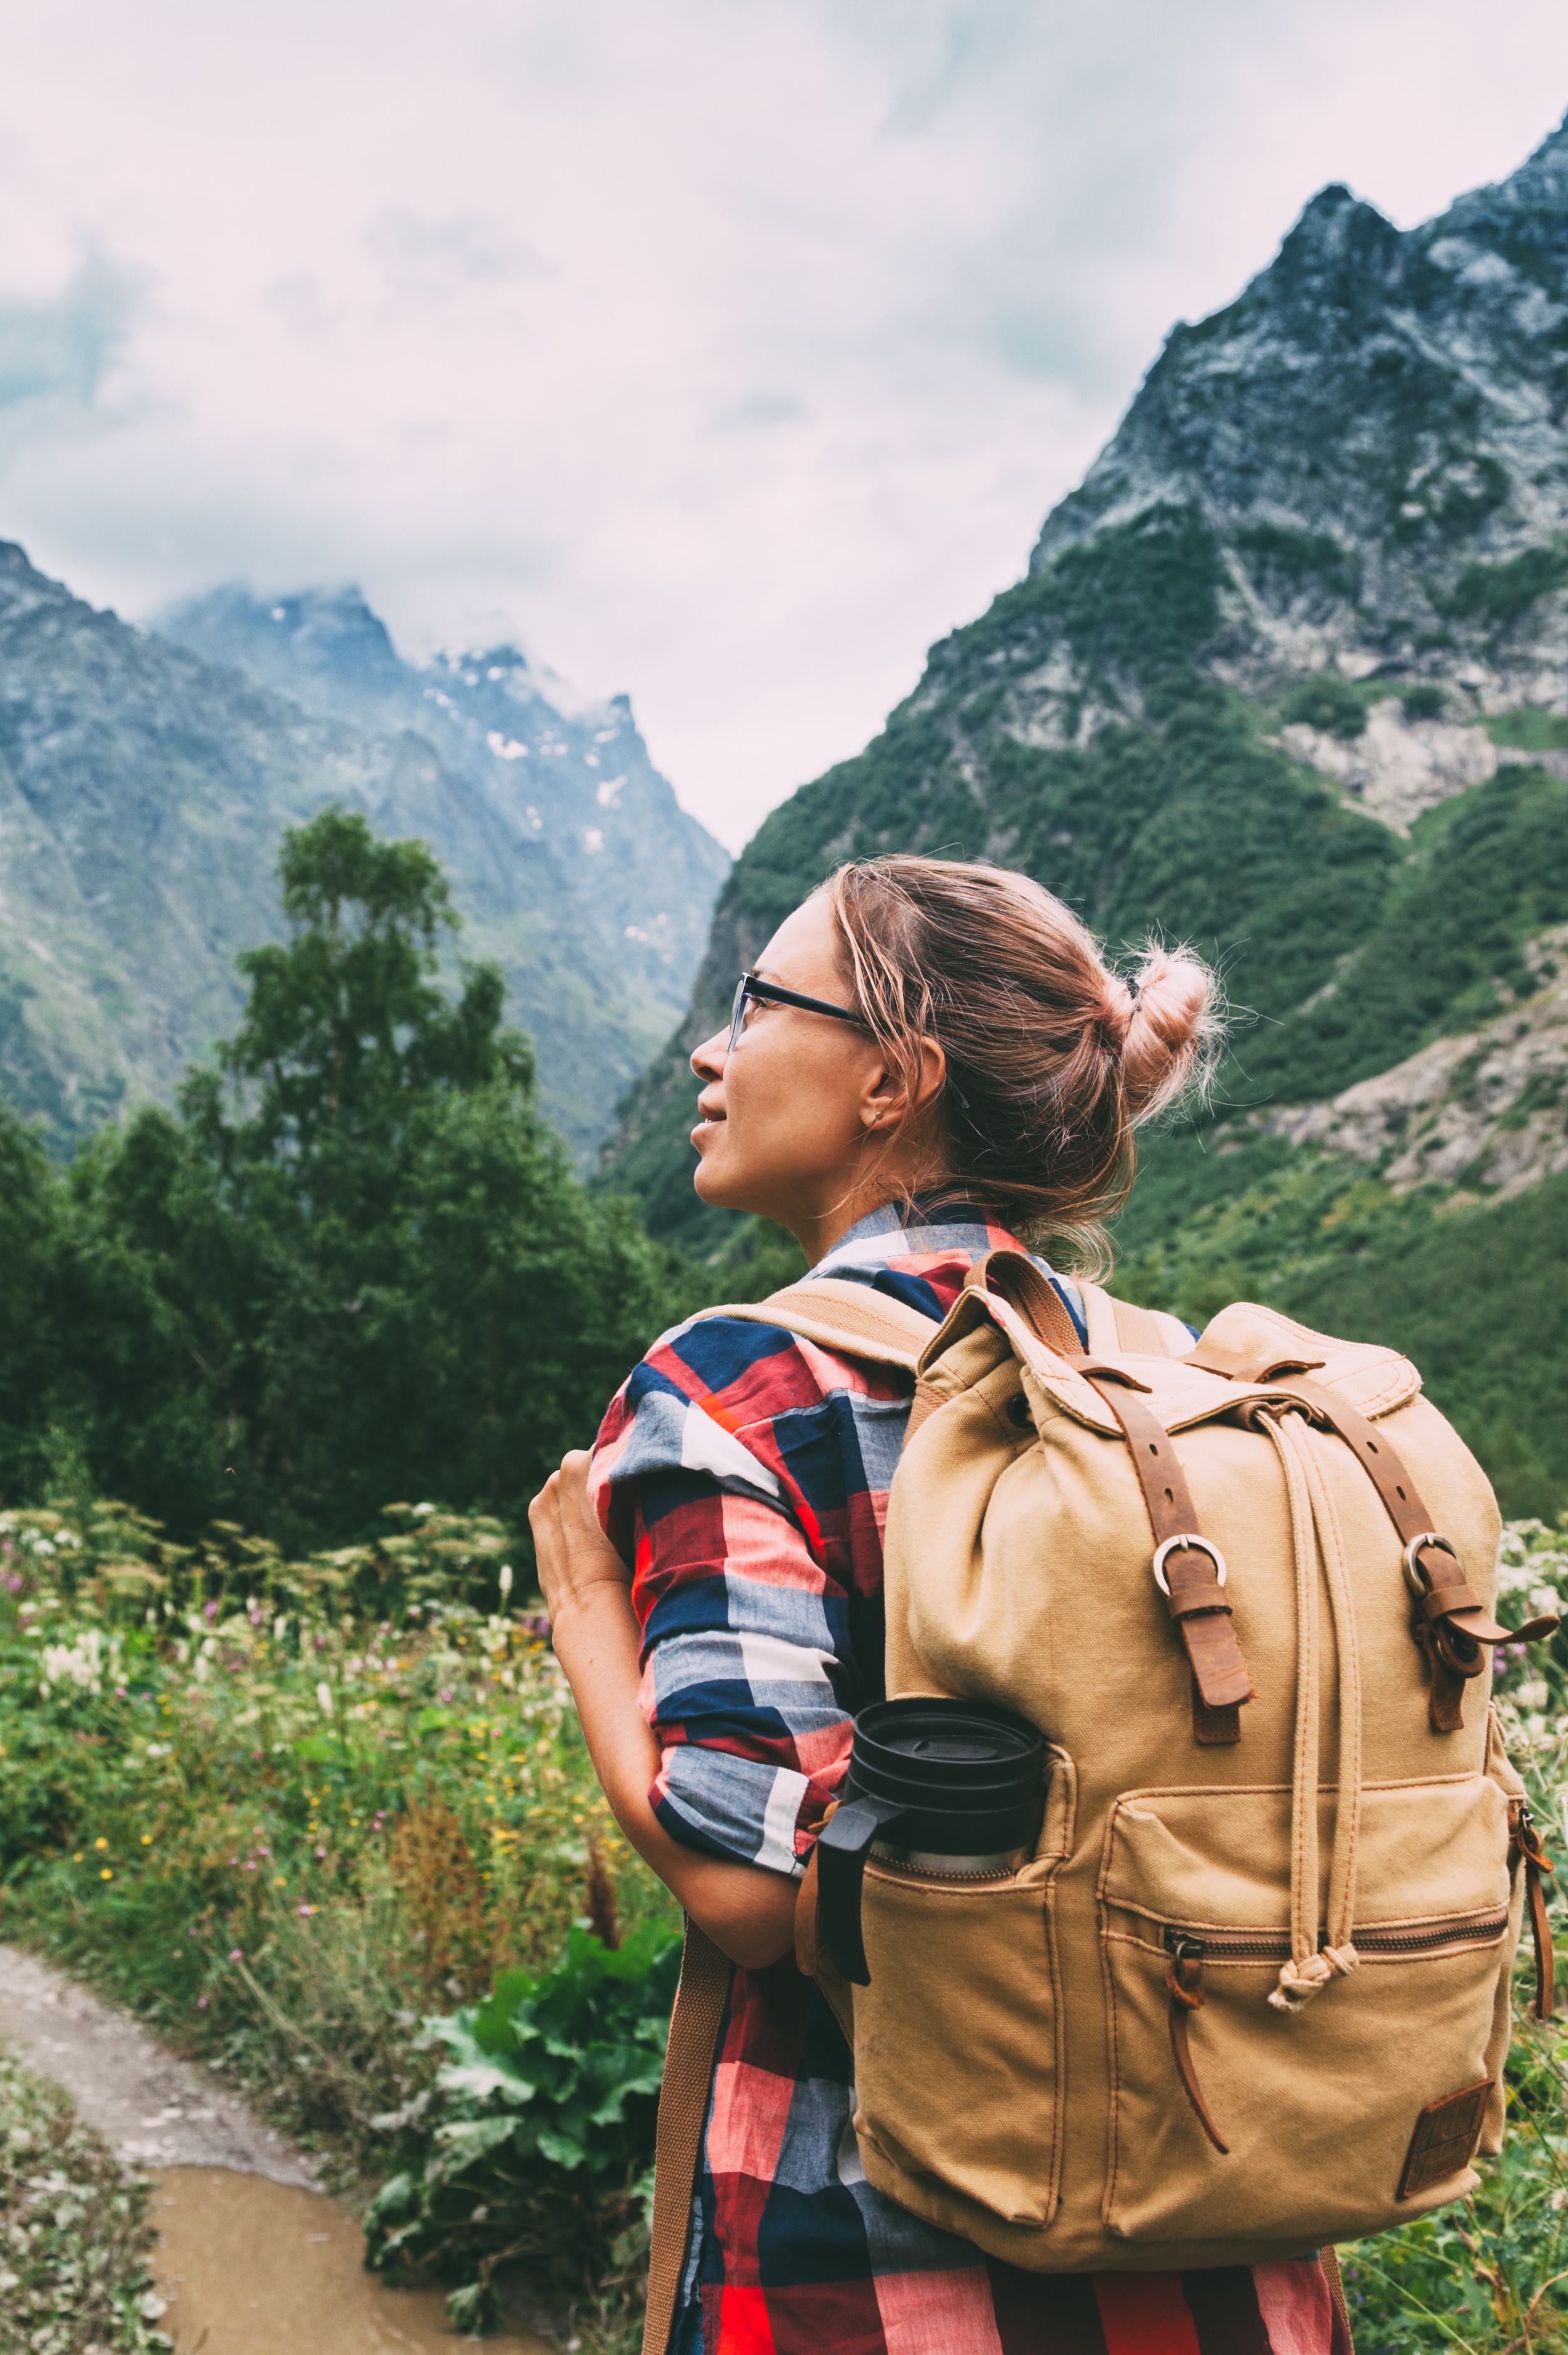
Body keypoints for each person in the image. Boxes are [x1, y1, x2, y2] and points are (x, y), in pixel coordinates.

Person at [527, 854, 1351, 2355]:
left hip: (886, 2276)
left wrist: (585, 1609)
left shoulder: (736, 1388)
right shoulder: (1180, 1377)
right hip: (1233, 2248)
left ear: (892, 1081)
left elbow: (753, 1901)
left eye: (756, 1003)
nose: (711, 1051)